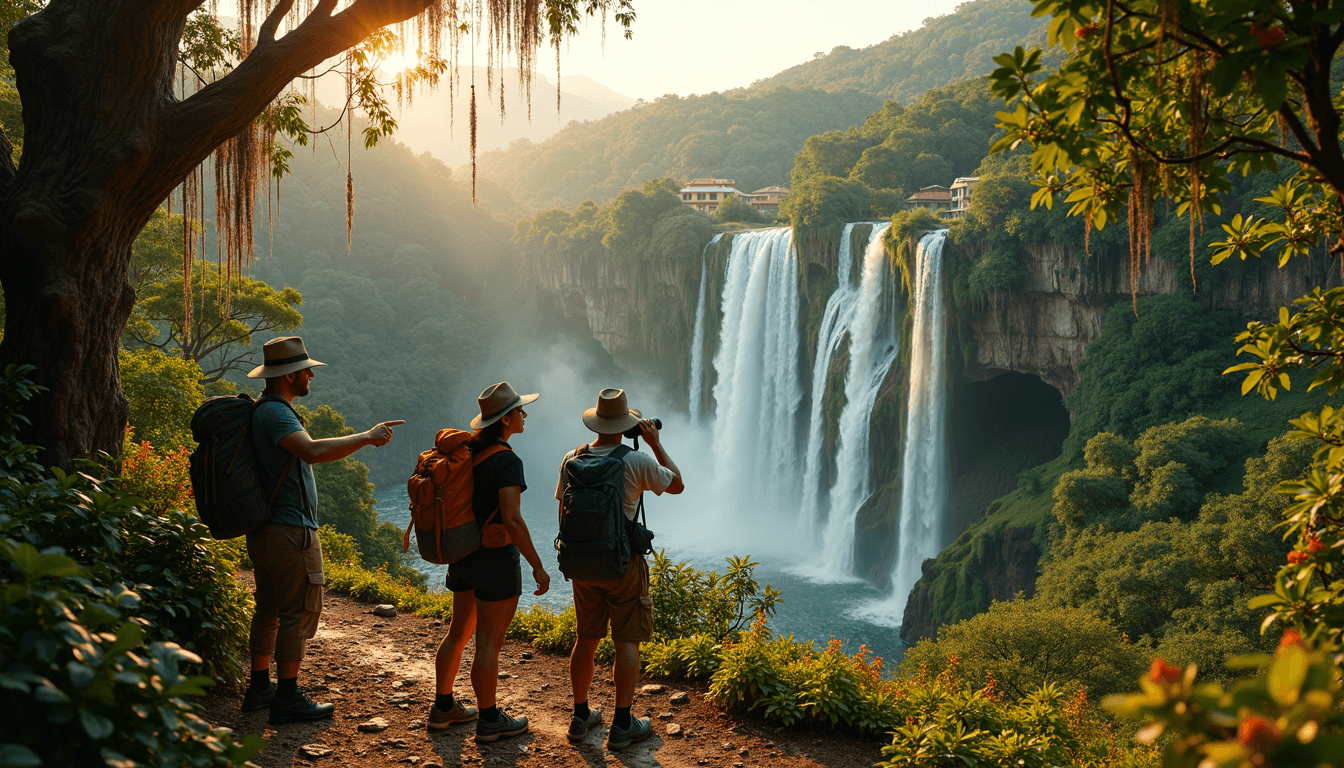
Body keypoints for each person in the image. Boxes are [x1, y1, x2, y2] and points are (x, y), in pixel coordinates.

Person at [240, 336, 404, 724]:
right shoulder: (277, 412)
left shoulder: (260, 410)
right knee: (298, 612)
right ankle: (287, 697)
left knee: (268, 609)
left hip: (264, 529)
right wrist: (366, 437)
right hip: (290, 530)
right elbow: (311, 451)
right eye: (306, 370)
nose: (311, 375)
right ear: (289, 375)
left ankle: (260, 687)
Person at [557, 388, 684, 751]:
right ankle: (623, 723)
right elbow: (677, 484)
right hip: (622, 565)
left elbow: (562, 511)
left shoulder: (571, 458)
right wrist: (655, 443)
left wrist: (576, 555)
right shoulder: (635, 460)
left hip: (581, 563)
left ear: (597, 422)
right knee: (626, 641)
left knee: (585, 639)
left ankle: (580, 715)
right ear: (627, 426)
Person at [429, 382, 552, 743]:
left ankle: (443, 707)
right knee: (488, 644)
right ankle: (489, 720)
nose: (524, 415)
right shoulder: (507, 460)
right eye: (520, 411)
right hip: (495, 560)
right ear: (506, 419)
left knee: (457, 633)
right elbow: (512, 518)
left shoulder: (469, 452)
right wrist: (537, 565)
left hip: (463, 554)